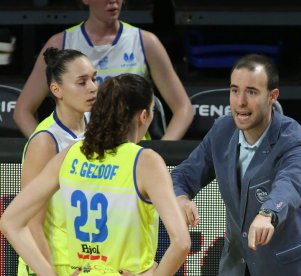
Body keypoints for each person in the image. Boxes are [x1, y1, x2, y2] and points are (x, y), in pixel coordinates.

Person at [1, 73, 191, 276]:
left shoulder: (72, 153)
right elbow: (181, 242)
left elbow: (10, 221)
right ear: (143, 116)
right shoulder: (145, 162)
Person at [172, 54, 301, 276]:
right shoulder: (222, 132)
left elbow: (291, 183)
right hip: (236, 266)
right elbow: (183, 175)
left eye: (251, 92)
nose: (240, 102)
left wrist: (269, 213)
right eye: (235, 90)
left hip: (288, 268)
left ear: (272, 96)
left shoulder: (292, 139)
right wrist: (181, 198)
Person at [13, 0, 193, 140]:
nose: (113, 1)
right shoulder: (59, 44)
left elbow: (183, 108)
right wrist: (46, 145)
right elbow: (23, 110)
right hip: (79, 154)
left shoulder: (146, 42)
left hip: (132, 156)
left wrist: (164, 150)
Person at [16, 47, 98, 276]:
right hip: (52, 265)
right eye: (82, 82)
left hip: (87, 263)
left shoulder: (96, 126)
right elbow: (31, 223)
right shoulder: (45, 141)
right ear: (57, 90)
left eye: (94, 78)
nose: (93, 87)